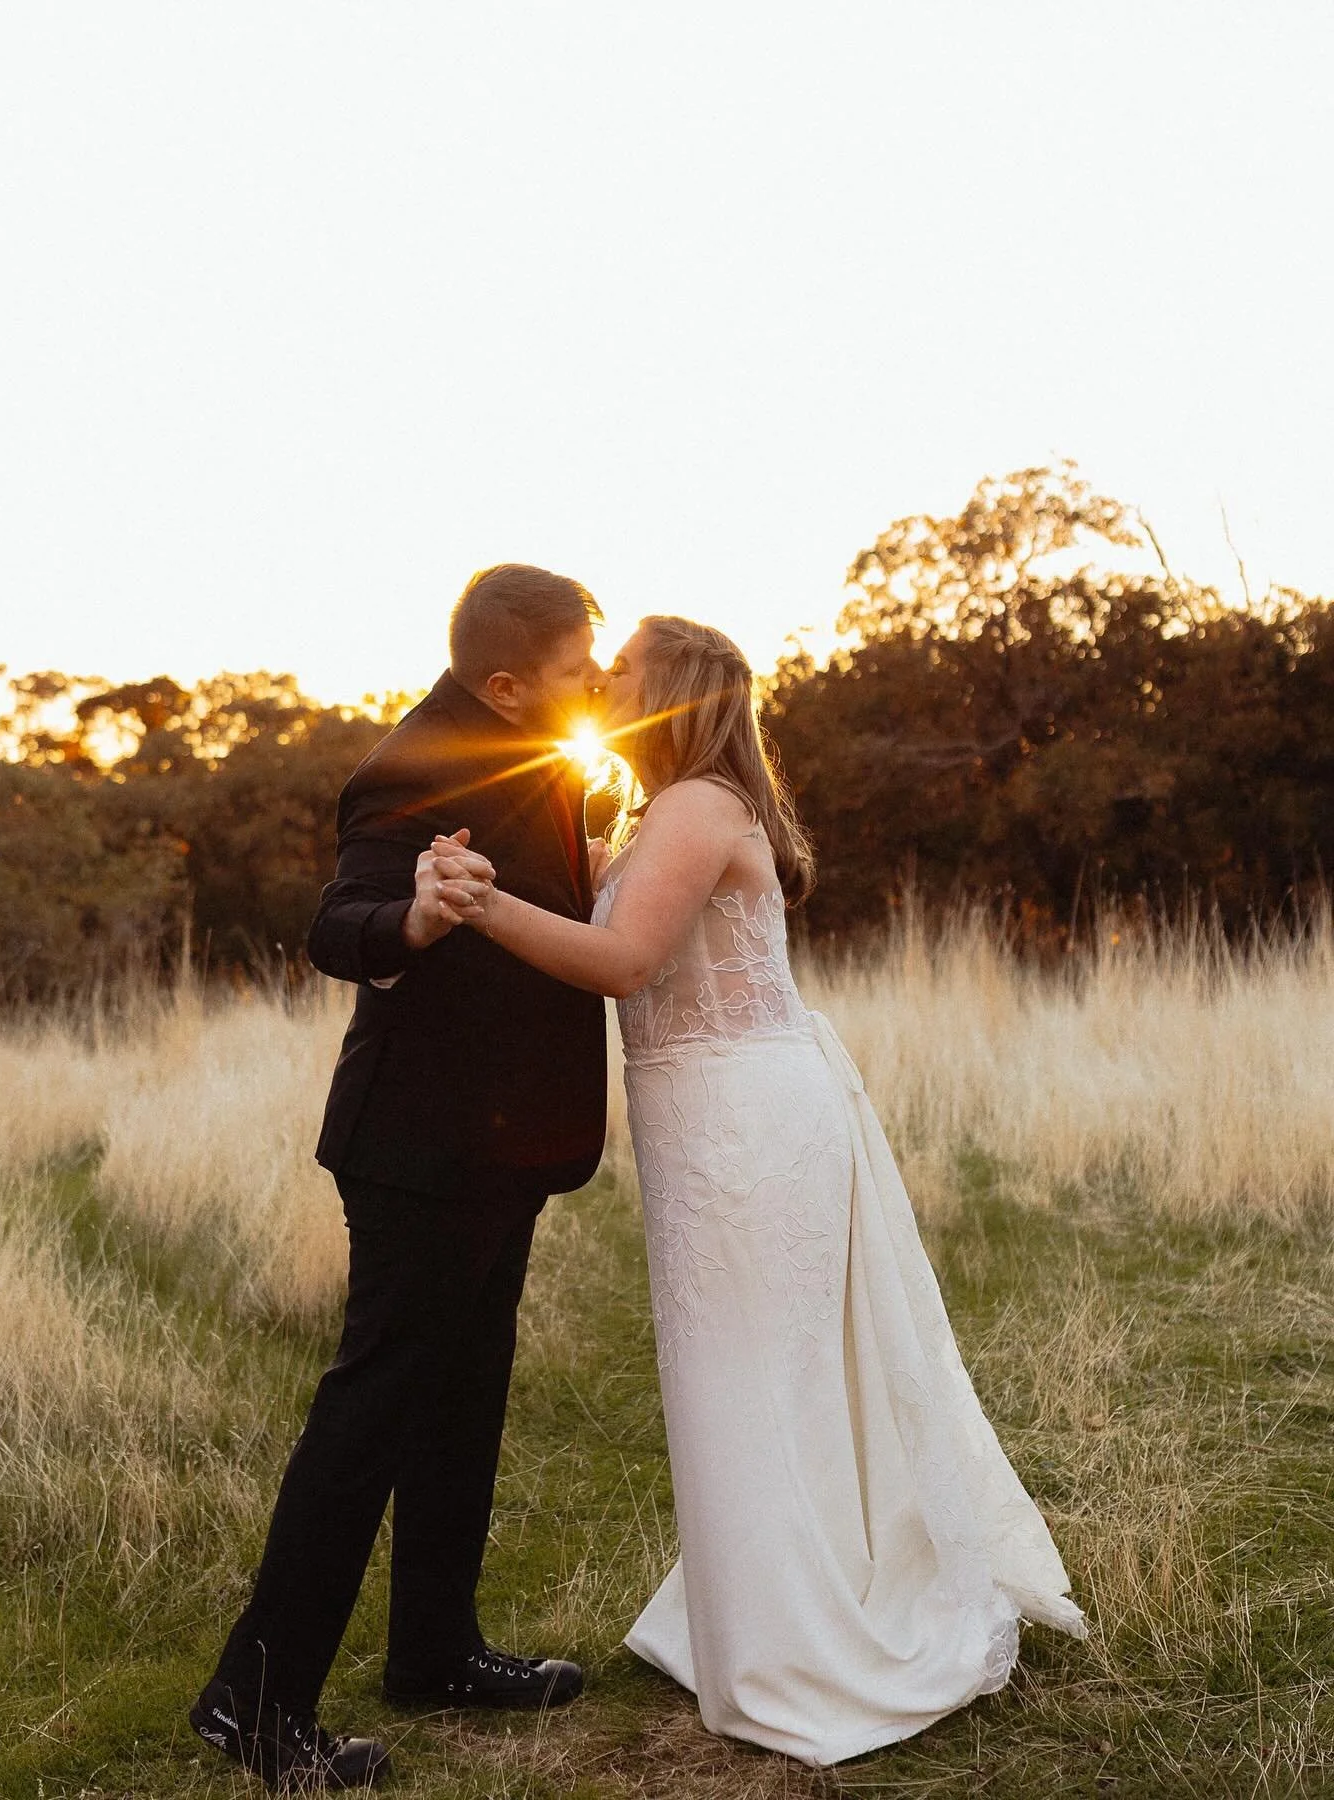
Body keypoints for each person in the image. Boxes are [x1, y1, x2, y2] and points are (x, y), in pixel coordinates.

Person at [427, 613, 1087, 1768]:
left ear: (671, 691)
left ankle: (799, 1651)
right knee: (733, 1375)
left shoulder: (696, 807)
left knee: (753, 1376)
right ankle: (763, 1616)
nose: (602, 681)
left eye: (622, 669)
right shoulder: (657, 810)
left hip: (744, 1120)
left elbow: (625, 962)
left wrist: (479, 905)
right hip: (703, 1118)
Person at [190, 565, 608, 1791]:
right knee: (368, 1415)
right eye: (577, 669)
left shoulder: (531, 743)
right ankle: (251, 1703)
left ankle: (435, 1651)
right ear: (507, 684)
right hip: (421, 1149)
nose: (593, 682)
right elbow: (339, 925)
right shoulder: (411, 766)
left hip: (502, 1144)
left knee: (462, 1400)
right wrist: (414, 923)